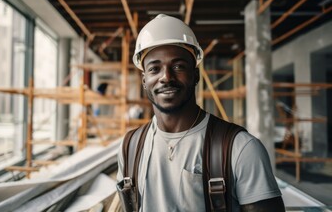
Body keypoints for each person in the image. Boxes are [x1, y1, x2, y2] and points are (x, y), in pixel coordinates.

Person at [117, 14, 285, 211]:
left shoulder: (240, 149)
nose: (166, 77)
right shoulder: (130, 147)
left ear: (195, 75)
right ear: (144, 80)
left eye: (178, 66)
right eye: (154, 69)